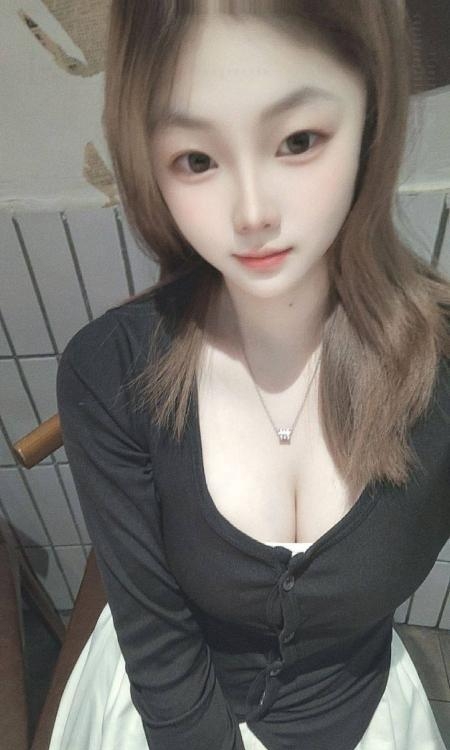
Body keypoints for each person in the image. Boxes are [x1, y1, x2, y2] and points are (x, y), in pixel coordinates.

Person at [49, 2, 450, 749]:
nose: (252, 213)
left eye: (298, 141)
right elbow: (159, 645)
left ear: (371, 119)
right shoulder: (111, 373)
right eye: (197, 159)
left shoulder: (441, 367)